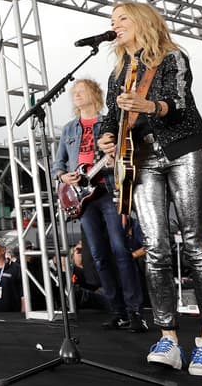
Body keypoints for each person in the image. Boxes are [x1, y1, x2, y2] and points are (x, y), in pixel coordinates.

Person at [99, 0, 202, 377]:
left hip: (183, 150)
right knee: (154, 248)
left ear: (141, 21)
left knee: (195, 243)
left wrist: (150, 105)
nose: (115, 24)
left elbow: (182, 104)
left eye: (121, 18)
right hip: (140, 159)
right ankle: (168, 337)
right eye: (112, 20)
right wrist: (107, 135)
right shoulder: (118, 71)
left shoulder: (172, 57)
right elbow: (110, 114)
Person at [53, 77, 147, 332]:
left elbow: (129, 149)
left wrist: (115, 157)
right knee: (98, 256)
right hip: (83, 198)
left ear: (94, 93)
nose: (77, 95)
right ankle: (117, 311)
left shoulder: (109, 123)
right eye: (75, 92)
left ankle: (136, 311)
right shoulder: (69, 129)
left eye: (82, 90)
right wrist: (64, 177)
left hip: (108, 190)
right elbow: (57, 165)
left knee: (120, 250)